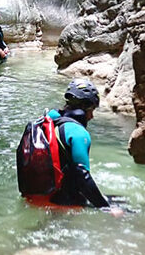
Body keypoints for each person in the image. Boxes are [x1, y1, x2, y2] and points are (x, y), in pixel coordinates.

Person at [47, 78, 110, 208]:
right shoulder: (78, 133)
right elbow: (82, 176)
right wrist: (106, 208)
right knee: (124, 207)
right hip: (65, 200)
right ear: (84, 107)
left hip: (42, 192)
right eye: (91, 110)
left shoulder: (49, 120)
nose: (91, 117)